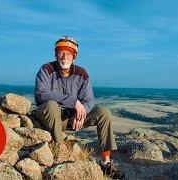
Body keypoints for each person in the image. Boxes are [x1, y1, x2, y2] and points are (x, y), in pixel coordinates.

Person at [35, 36, 124, 179]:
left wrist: (81, 113)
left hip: (71, 118)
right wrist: (73, 102)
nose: (65, 56)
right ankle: (60, 156)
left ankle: (106, 163)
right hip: (49, 115)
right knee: (52, 105)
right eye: (61, 52)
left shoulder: (82, 74)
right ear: (56, 54)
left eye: (69, 53)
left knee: (104, 112)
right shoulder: (46, 69)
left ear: (74, 57)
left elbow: (89, 100)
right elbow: (41, 94)